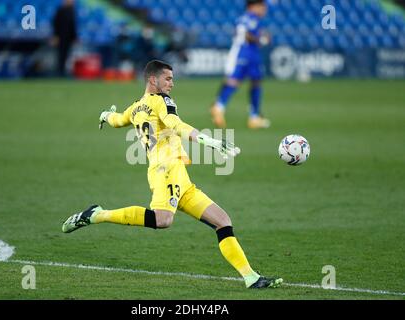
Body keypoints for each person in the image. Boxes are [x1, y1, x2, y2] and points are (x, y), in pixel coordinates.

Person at [61, 60, 283, 289]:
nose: (172, 84)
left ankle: (251, 277)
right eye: (168, 79)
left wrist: (105, 115)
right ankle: (98, 214)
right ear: (152, 79)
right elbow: (176, 125)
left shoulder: (136, 107)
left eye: (172, 79)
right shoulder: (161, 101)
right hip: (166, 171)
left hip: (179, 177)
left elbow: (117, 120)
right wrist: (210, 141)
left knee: (223, 221)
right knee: (163, 220)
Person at [210, 0, 271, 129]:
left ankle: (222, 107)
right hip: (246, 52)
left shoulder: (243, 18)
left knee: (251, 81)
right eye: (262, 6)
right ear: (253, 6)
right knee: (241, 81)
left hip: (245, 51)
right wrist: (262, 39)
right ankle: (250, 116)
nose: (264, 9)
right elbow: (248, 35)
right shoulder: (252, 18)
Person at [51, 0, 78, 77]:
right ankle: (59, 72)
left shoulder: (72, 11)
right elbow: (56, 23)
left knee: (67, 55)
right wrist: (55, 36)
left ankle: (63, 71)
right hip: (61, 36)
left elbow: (73, 25)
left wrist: (74, 37)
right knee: (60, 55)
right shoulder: (61, 10)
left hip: (69, 37)